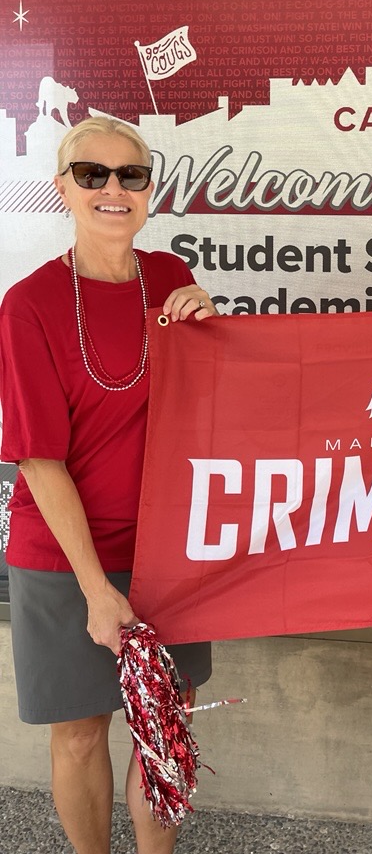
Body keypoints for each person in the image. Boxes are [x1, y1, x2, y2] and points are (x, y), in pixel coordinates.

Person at [0, 117, 217, 854]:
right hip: (65, 558)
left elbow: (216, 402)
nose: (113, 189)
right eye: (92, 174)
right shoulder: (29, 304)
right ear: (63, 187)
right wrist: (96, 587)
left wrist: (214, 331)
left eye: (131, 175)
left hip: (169, 550)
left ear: (151, 190)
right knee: (82, 734)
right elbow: (38, 460)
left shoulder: (174, 278)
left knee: (162, 730)